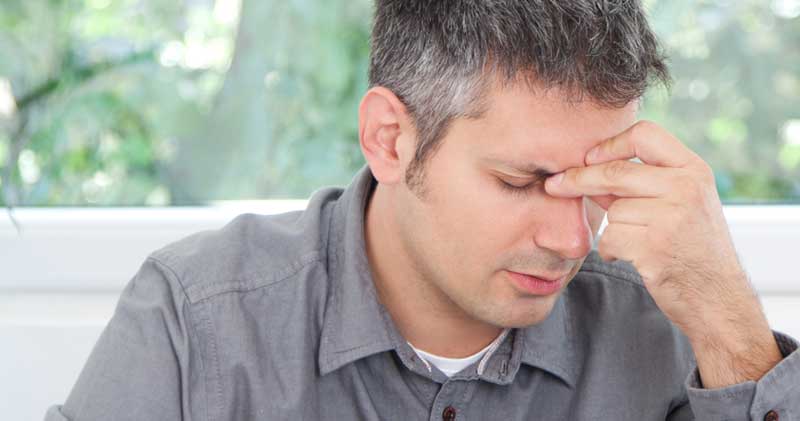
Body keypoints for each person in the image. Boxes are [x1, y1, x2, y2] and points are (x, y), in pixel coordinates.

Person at [46, 1, 799, 420]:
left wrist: (733, 327)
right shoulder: (197, 324)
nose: (574, 237)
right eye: (520, 180)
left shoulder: (664, 333)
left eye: (595, 185)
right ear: (390, 139)